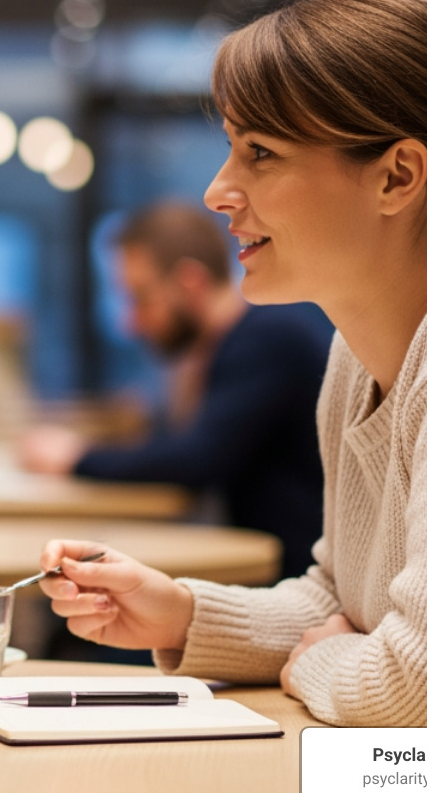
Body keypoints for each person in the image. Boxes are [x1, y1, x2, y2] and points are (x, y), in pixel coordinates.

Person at [38, 0, 427, 793]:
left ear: (398, 176)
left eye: (259, 153)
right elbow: (340, 601)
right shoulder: (362, 344)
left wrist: (317, 666)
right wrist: (184, 613)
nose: (218, 190)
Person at [19, 202, 332, 579]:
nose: (131, 321)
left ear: (191, 282)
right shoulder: (223, 348)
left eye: (141, 297)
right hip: (270, 572)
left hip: (300, 584)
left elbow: (193, 461)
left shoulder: (268, 338)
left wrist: (75, 458)